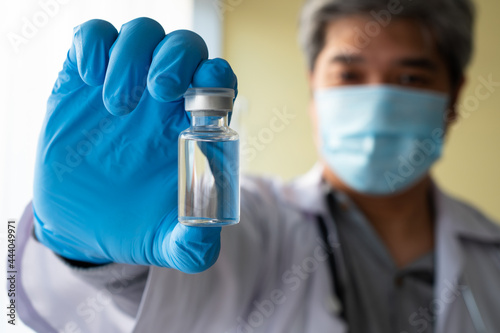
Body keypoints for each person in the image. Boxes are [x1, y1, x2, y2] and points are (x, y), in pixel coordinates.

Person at [12, 0, 500, 332]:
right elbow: (152, 303)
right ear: (313, 91)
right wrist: (88, 259)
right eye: (349, 74)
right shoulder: (258, 225)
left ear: (454, 97)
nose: (374, 102)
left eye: (410, 77)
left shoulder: (491, 256)